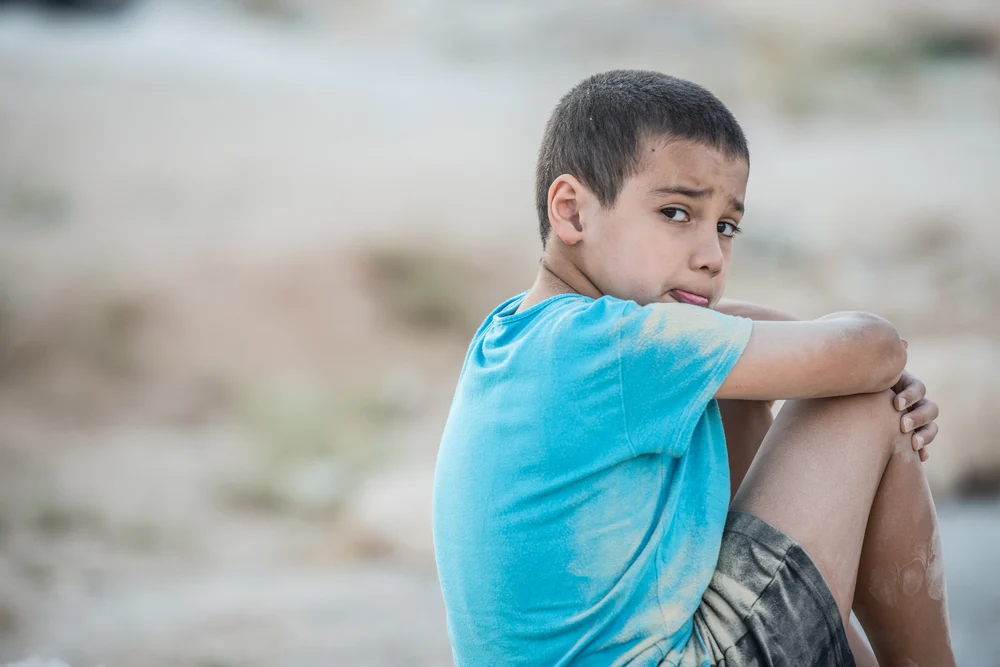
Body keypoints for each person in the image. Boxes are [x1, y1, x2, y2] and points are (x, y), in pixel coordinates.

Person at [432, 69, 954, 667]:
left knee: (740, 392)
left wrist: (840, 364)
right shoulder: (614, 348)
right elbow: (875, 347)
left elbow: (739, 334)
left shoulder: (521, 334)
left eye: (726, 227)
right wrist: (868, 374)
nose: (711, 257)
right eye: (678, 213)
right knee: (865, 406)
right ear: (572, 212)